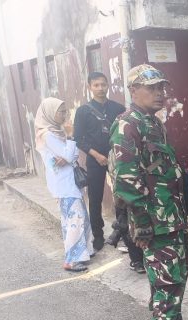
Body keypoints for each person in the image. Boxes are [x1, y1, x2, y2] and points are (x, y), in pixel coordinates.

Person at [110, 64, 188, 320]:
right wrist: (142, 225)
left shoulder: (153, 123)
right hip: (154, 224)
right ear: (133, 91)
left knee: (174, 276)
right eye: (152, 87)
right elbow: (126, 183)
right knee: (167, 283)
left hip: (170, 216)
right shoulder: (127, 126)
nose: (160, 93)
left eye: (162, 87)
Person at [35, 98, 94, 272]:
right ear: (50, 113)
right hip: (63, 184)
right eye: (60, 112)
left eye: (65, 111)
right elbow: (69, 155)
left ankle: (84, 252)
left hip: (69, 181)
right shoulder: (47, 134)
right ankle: (72, 260)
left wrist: (68, 152)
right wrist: (70, 139)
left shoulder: (57, 131)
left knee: (79, 216)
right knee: (75, 220)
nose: (64, 115)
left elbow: (72, 156)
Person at [73, 71, 126, 251]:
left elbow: (124, 134)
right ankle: (98, 236)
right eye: (96, 85)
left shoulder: (118, 109)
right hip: (95, 159)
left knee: (122, 195)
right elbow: (79, 138)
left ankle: (122, 231)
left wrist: (114, 154)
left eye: (103, 84)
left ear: (108, 85)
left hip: (117, 158)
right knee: (95, 198)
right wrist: (97, 155)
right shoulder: (83, 111)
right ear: (90, 87)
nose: (100, 88)